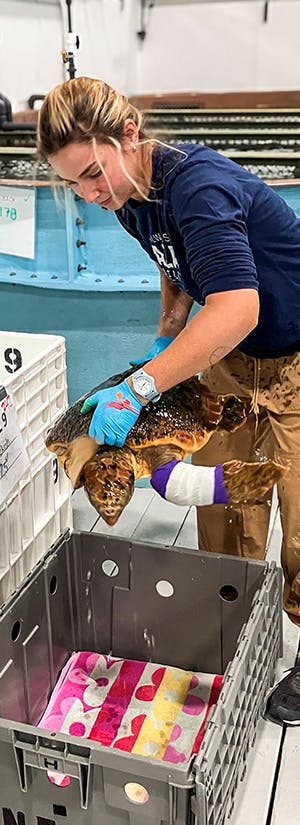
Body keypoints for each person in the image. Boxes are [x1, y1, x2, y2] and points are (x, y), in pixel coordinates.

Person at [37, 77, 300, 649]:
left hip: (294, 354)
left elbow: (238, 306)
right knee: (226, 509)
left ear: (128, 134)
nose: (86, 195)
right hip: (233, 362)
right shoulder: (132, 194)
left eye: (90, 174)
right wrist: (168, 333)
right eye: (70, 183)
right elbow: (173, 259)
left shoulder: (199, 188)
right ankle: (242, 636)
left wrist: (139, 388)